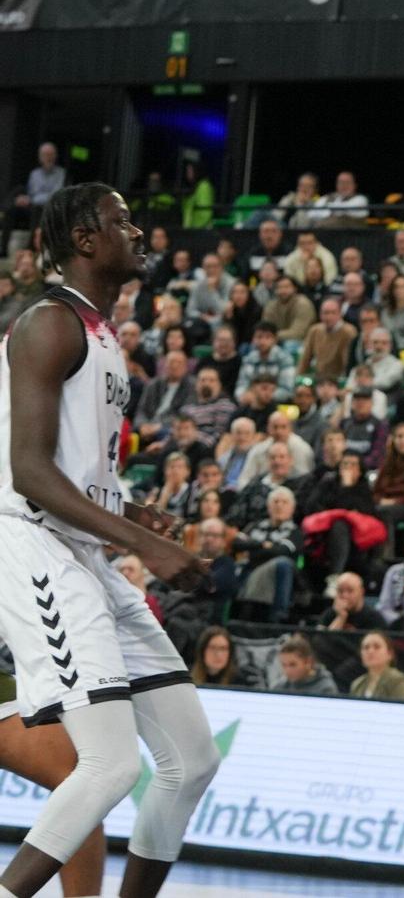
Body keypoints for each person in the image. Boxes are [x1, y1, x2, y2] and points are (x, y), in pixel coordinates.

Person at [0, 186, 219, 898]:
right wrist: (145, 546)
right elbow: (28, 471)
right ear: (86, 241)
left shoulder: (98, 331)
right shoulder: (48, 323)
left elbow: (74, 468)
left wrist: (131, 510)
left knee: (191, 759)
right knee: (107, 765)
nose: (138, 231)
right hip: (34, 547)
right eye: (122, 221)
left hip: (84, 551)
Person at [349, 631, 404, 701]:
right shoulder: (357, 684)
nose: (370, 651)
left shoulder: (397, 680)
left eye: (377, 647)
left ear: (390, 654)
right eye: (366, 647)